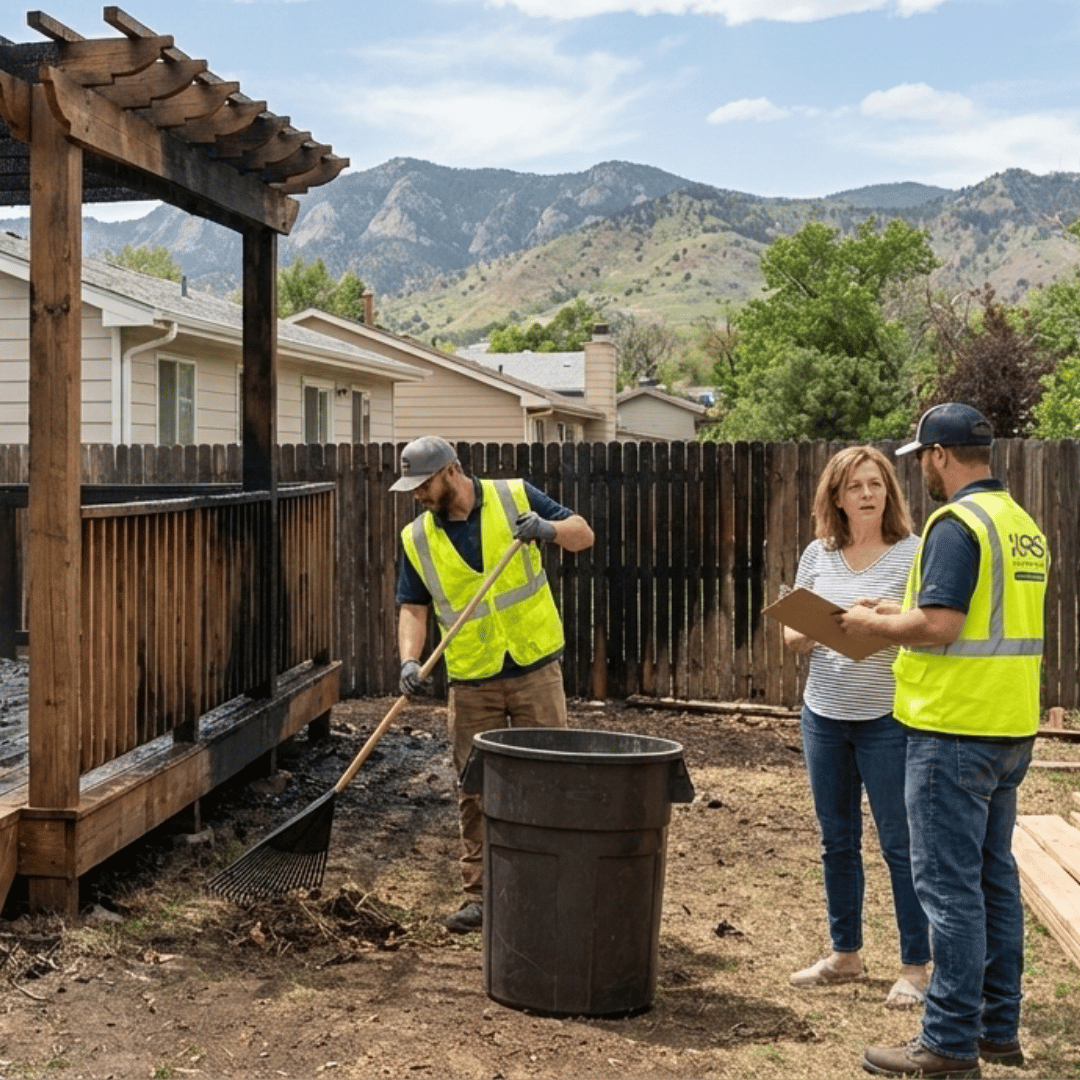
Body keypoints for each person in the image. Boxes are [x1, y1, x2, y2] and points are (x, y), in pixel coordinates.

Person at [839, 404, 1048, 1079]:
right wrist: (888, 611)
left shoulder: (955, 524)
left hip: (953, 729)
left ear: (939, 455)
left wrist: (872, 628)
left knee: (949, 891)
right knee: (993, 882)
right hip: (1009, 727)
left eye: (921, 458)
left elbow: (941, 626)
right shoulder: (1020, 525)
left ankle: (948, 1043)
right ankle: (996, 1029)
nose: (922, 469)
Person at [391, 435, 594, 934]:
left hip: (533, 670)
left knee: (550, 778)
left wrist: (547, 528)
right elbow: (413, 607)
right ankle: (482, 897)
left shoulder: (515, 497)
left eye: (423, 484)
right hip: (471, 680)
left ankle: (551, 886)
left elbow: (583, 534)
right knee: (475, 788)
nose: (417, 494)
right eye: (412, 487)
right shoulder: (417, 539)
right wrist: (409, 661)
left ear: (451, 471)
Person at [783, 446, 930, 1010]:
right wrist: (827, 627)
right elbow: (794, 638)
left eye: (876, 484)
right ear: (835, 498)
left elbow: (926, 622)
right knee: (836, 839)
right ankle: (845, 954)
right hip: (823, 715)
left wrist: (881, 613)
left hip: (888, 720)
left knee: (900, 843)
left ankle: (915, 967)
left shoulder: (913, 554)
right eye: (855, 487)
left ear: (889, 491)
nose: (867, 494)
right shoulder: (818, 554)